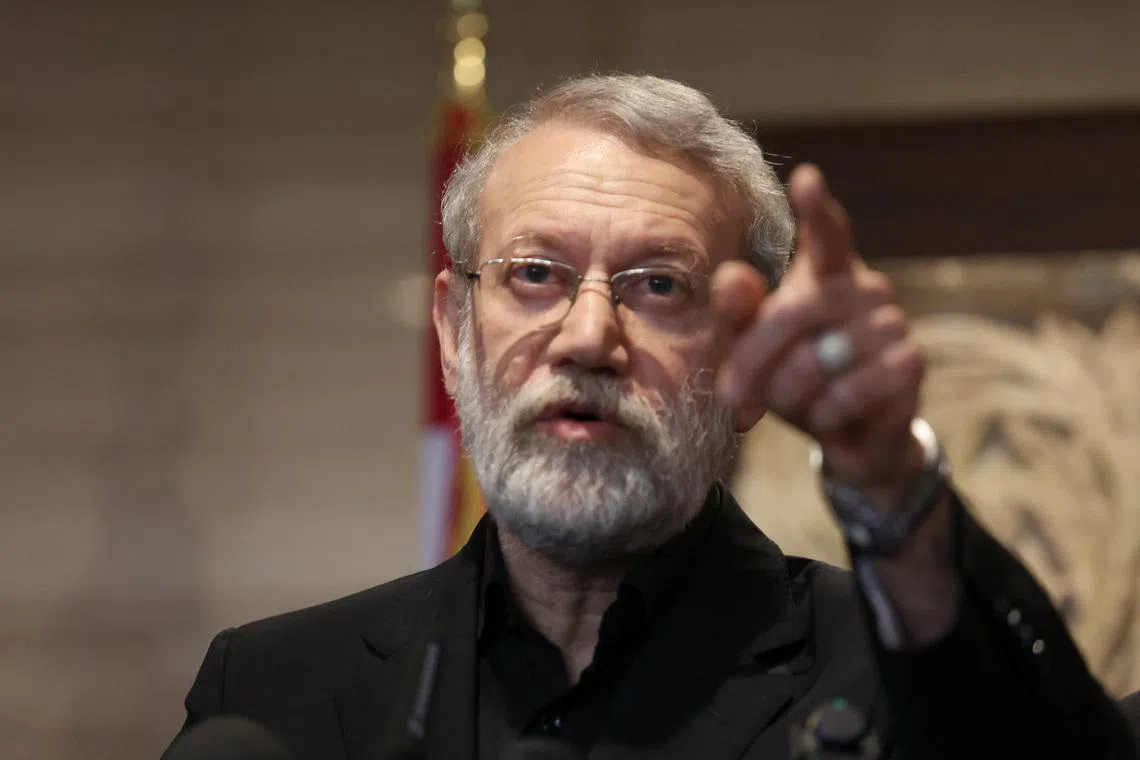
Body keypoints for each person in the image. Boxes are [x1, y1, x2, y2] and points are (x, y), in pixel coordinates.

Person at [165, 74, 1140, 760]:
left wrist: (892, 484)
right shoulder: (274, 698)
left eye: (660, 284)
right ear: (453, 331)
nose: (588, 335)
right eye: (536, 274)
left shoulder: (888, 681)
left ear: (748, 361)